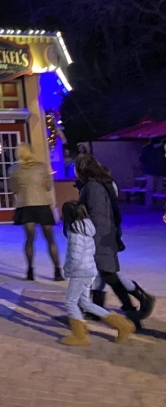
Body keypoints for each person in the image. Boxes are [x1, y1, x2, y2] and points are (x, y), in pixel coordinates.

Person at [75, 154, 155, 328]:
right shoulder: (105, 182)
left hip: (100, 237)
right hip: (108, 235)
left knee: (109, 275)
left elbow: (98, 215)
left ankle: (134, 307)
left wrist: (88, 237)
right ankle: (104, 308)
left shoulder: (93, 187)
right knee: (104, 274)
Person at [57, 200, 134, 346]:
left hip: (80, 272)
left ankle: (80, 336)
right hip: (89, 270)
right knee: (85, 302)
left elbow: (75, 257)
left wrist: (67, 270)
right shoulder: (87, 228)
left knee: (70, 302)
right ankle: (122, 325)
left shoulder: (75, 232)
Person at [8, 143, 63, 281]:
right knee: (50, 239)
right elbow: (49, 187)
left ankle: (30, 271)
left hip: (25, 205)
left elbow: (13, 188)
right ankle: (57, 271)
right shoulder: (41, 167)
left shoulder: (14, 169)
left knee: (29, 239)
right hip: (42, 204)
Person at [138, 138, 166, 206]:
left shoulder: (147, 149)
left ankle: (155, 203)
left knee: (156, 188)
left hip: (155, 171)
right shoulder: (159, 149)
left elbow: (142, 159)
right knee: (152, 188)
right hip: (153, 171)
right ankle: (151, 203)